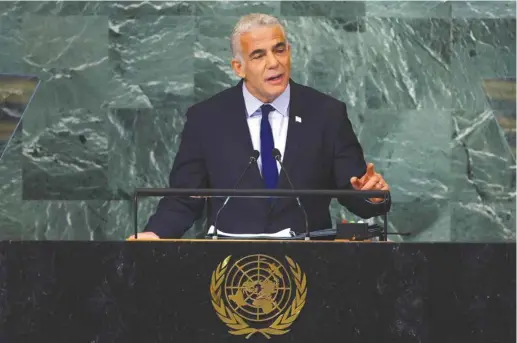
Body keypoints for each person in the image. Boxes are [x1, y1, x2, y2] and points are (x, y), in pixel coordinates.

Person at [129, 13, 391, 240]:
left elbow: (356, 189)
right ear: (238, 67)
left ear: (289, 51)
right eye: (258, 55)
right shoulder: (207, 119)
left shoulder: (326, 114)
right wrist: (155, 234)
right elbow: (184, 198)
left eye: (279, 50)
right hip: (228, 267)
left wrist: (373, 196)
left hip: (310, 264)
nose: (273, 62)